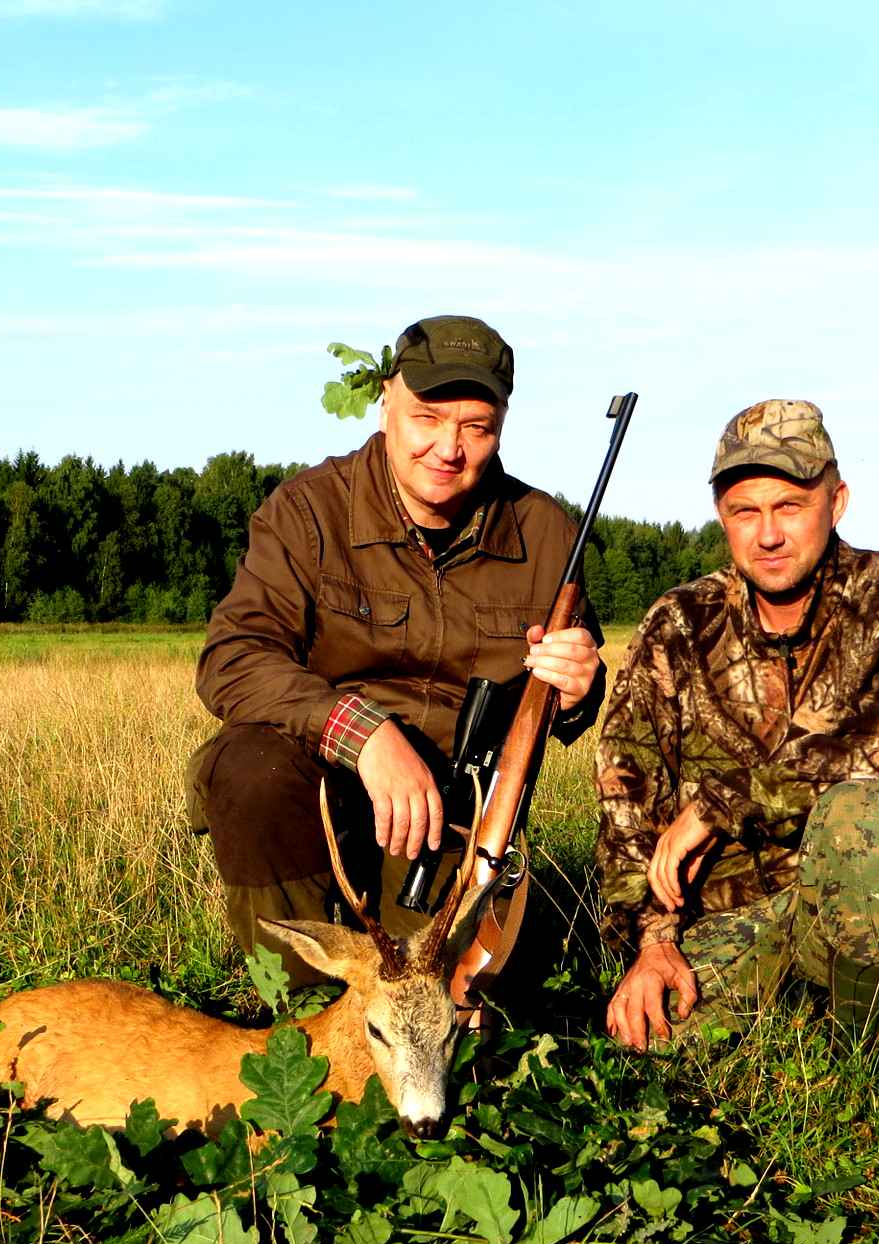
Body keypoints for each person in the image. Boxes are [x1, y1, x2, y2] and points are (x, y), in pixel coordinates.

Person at [191, 315, 605, 1007]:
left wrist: (581, 686)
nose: (449, 447)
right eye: (428, 417)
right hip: (322, 788)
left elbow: (564, 701)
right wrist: (364, 733)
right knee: (249, 769)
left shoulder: (546, 531)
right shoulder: (308, 509)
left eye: (478, 425)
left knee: (457, 1004)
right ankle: (291, 1007)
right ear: (388, 402)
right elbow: (233, 657)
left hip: (453, 812)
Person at [595, 399, 879, 1056]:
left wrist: (720, 802)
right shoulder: (679, 621)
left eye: (788, 506)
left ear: (836, 501)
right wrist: (652, 944)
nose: (768, 535)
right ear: (722, 518)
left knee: (864, 818)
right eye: (744, 512)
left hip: (842, 886)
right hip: (720, 914)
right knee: (650, 1050)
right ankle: (779, 1022)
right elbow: (625, 798)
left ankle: (862, 1071)